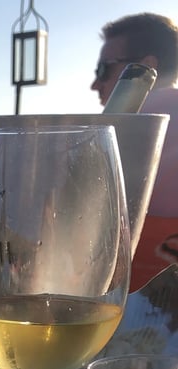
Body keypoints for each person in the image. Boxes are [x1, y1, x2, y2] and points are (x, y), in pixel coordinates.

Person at [92, 12, 178, 290]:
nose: (96, 84)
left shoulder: (121, 131)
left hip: (122, 313)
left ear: (146, 66)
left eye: (104, 69)